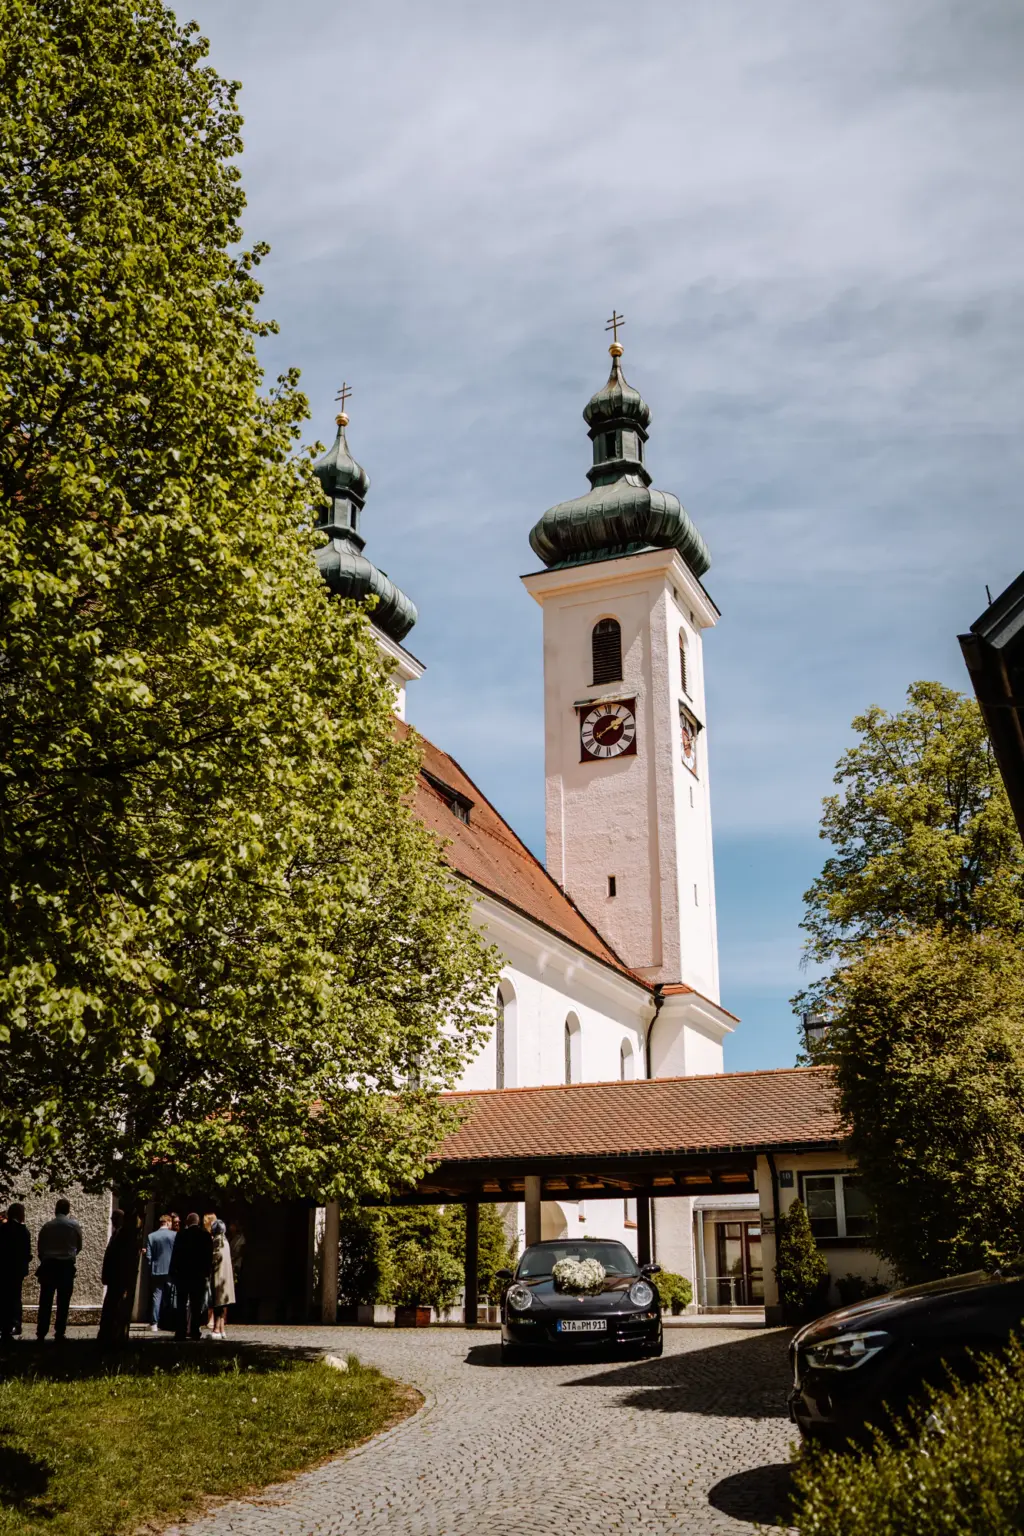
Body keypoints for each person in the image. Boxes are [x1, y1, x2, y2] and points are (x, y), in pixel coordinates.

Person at [36, 1197, 83, 1341]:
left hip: (49, 1265)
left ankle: (41, 1331)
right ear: (68, 1210)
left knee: (45, 1300)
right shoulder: (74, 1226)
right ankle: (60, 1331)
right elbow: (79, 1246)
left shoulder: (47, 1226)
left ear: (56, 1209)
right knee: (63, 1301)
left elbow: (41, 1247)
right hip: (66, 1266)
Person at [169, 1212, 212, 1341]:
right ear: (198, 1222)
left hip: (183, 1274)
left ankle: (180, 1331)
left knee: (181, 1304)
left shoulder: (181, 1235)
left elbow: (175, 1255)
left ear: (187, 1222)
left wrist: (173, 1271)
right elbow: (208, 1257)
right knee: (196, 1304)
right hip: (198, 1275)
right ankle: (195, 1330)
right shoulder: (205, 1236)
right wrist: (206, 1273)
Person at [0, 1204, 31, 1342]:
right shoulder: (23, 1231)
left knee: (4, 1297)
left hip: (3, 1268)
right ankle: (15, 1324)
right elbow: (26, 1252)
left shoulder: (2, 1229)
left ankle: (4, 1326)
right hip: (17, 1270)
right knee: (15, 1296)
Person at [146, 1214, 176, 1334]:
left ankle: (154, 1323)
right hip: (171, 1269)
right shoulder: (174, 1235)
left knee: (156, 1296)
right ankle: (170, 1321)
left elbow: (148, 1256)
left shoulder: (151, 1236)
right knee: (171, 1296)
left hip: (157, 1270)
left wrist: (151, 1266)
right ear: (168, 1222)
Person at [208, 1216, 235, 1340]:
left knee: (218, 1304)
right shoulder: (226, 1241)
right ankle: (222, 1329)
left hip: (219, 1276)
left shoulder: (217, 1241)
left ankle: (216, 1329)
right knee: (223, 1304)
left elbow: (214, 1257)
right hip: (226, 1277)